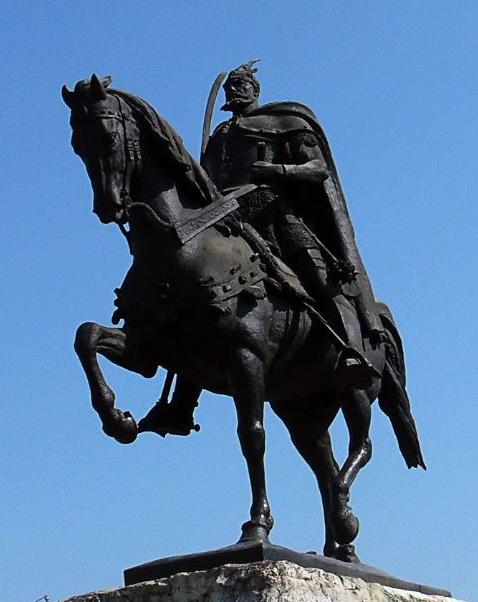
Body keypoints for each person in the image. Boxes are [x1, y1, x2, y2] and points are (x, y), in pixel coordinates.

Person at [139, 60, 380, 437]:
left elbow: (317, 169)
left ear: (255, 90)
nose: (236, 91)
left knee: (317, 276)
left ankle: (351, 352)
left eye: (242, 85)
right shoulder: (220, 135)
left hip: (272, 212)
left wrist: (279, 172)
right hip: (225, 219)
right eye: (231, 86)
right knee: (196, 295)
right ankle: (179, 405)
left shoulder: (283, 123)